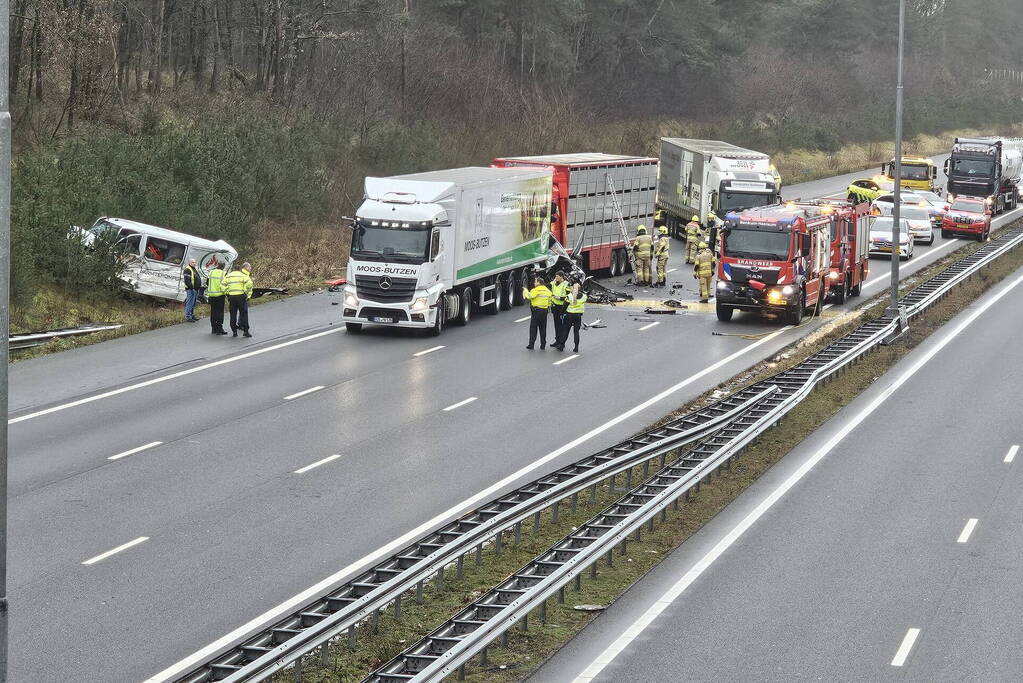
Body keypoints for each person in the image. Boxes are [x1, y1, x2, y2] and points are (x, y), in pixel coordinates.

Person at [222, 262, 254, 337]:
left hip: (232, 297)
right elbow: (250, 284)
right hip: (241, 296)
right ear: (239, 269)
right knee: (244, 314)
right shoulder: (242, 275)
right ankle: (246, 332)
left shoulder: (228, 276)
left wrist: (227, 292)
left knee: (233, 314)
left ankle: (234, 332)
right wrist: (245, 290)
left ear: (233, 269)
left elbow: (222, 285)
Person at [556, 279, 587, 353]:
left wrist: (561, 314)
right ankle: (576, 347)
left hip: (569, 316)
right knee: (576, 332)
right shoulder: (584, 296)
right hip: (578, 316)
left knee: (565, 331)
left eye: (572, 287)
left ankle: (561, 346)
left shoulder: (569, 296)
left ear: (574, 288)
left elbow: (564, 307)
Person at [523, 275, 552, 350]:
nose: (534, 283)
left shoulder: (535, 290)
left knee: (533, 327)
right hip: (545, 311)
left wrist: (525, 291)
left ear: (539, 283)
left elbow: (529, 296)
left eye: (535, 282)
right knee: (543, 328)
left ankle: (531, 344)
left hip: (536, 311)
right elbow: (550, 301)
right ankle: (543, 345)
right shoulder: (548, 291)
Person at [206, 258, 228, 335]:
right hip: (220, 295)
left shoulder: (211, 272)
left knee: (213, 312)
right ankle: (219, 329)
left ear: (217, 265)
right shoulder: (224, 273)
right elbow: (226, 284)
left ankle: (213, 328)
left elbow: (207, 282)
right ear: (223, 267)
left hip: (211, 295)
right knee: (220, 313)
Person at [549, 271, 569, 346]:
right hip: (555, 306)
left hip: (563, 307)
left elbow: (569, 297)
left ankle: (562, 342)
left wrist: (560, 298)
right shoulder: (553, 283)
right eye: (555, 276)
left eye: (557, 276)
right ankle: (557, 340)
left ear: (562, 277)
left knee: (562, 325)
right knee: (556, 325)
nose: (556, 278)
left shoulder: (566, 284)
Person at [182, 258, 203, 322]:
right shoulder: (187, 269)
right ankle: (188, 317)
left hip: (195, 289)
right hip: (191, 289)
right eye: (193, 262)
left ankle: (192, 315)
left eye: (195, 262)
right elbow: (187, 281)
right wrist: (192, 288)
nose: (194, 263)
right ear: (190, 262)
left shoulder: (193, 269)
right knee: (190, 303)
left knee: (193, 303)